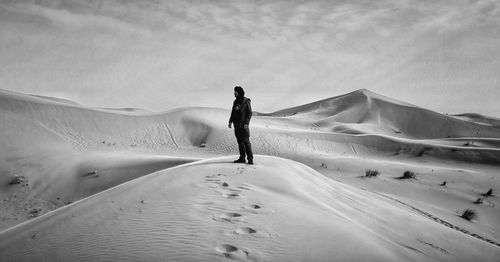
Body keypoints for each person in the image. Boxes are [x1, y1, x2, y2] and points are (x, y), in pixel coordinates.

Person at [228, 86, 254, 165]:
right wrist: (230, 121)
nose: (234, 93)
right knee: (240, 142)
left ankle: (250, 159)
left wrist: (246, 123)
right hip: (236, 125)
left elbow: (249, 113)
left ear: (239, 92)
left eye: (235, 91)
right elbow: (233, 112)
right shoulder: (235, 101)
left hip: (243, 125)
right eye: (234, 91)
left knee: (246, 142)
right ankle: (242, 158)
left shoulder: (246, 101)